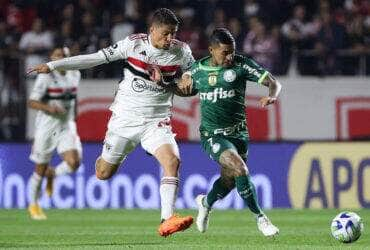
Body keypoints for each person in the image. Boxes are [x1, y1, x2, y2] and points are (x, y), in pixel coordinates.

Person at [28, 8, 194, 236]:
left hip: (156, 121)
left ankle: (167, 219)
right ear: (152, 29)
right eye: (165, 34)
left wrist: (186, 78)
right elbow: (95, 59)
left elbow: (193, 81)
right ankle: (97, 159)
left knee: (173, 161)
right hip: (124, 121)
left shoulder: (182, 51)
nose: (169, 39)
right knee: (103, 173)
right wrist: (55, 65)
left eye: (173, 34)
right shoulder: (133, 45)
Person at [179, 28, 281, 237]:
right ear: (211, 50)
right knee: (240, 168)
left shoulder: (241, 65)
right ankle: (261, 219)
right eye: (225, 52)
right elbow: (182, 87)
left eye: (232, 52)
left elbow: (273, 81)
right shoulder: (197, 70)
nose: (229, 57)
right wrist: (181, 80)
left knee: (230, 181)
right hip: (212, 135)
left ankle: (205, 203)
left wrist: (272, 95)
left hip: (239, 134)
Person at [28, 47, 82, 220]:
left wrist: (74, 115)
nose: (61, 58)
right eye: (57, 56)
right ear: (51, 58)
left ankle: (53, 174)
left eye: (64, 56)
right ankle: (34, 205)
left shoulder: (75, 74)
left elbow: (74, 98)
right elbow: (32, 102)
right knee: (40, 169)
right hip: (47, 126)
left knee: (74, 162)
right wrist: (49, 108)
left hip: (66, 124)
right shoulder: (46, 77)